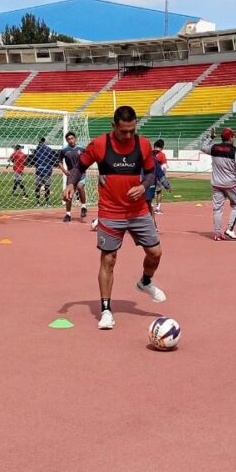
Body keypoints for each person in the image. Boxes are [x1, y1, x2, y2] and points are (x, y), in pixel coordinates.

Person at [64, 105, 166, 330]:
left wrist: (143, 186)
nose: (128, 135)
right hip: (110, 212)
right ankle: (106, 310)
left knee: (155, 253)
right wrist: (71, 183)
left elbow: (150, 173)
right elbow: (79, 167)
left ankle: (145, 282)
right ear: (113, 126)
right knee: (108, 260)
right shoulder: (99, 144)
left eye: (132, 130)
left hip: (138, 211)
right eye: (123, 131)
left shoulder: (143, 144)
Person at [200, 127, 236, 240]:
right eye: (233, 136)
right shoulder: (235, 151)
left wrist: (211, 137)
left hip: (216, 184)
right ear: (230, 138)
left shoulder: (214, 148)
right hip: (230, 184)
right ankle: (230, 229)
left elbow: (202, 147)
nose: (234, 138)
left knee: (217, 209)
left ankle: (217, 234)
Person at [60, 131, 87, 222]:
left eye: (72, 138)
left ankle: (83, 207)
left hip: (81, 172)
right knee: (69, 194)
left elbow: (87, 159)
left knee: (80, 187)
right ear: (66, 140)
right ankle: (68, 214)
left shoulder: (81, 148)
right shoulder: (64, 150)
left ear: (75, 138)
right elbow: (59, 162)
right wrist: (64, 171)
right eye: (68, 139)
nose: (70, 140)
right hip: (71, 174)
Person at [149, 139, 171, 214]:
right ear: (162, 147)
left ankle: (150, 206)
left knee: (150, 191)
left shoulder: (150, 153)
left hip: (149, 176)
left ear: (154, 146)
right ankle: (158, 208)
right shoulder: (162, 154)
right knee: (159, 192)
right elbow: (164, 167)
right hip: (158, 176)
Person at [32, 137, 56, 206]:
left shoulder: (37, 149)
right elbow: (53, 159)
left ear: (39, 141)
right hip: (47, 171)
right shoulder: (49, 149)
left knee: (37, 187)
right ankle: (47, 202)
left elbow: (33, 160)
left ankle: (37, 202)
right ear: (44, 141)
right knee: (47, 187)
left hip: (39, 171)